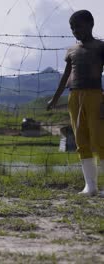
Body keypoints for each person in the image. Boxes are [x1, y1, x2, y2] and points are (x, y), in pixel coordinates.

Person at [47, 10, 104, 196]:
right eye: (72, 28)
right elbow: (65, 76)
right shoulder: (71, 50)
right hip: (74, 97)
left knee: (99, 139)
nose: (75, 31)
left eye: (78, 26)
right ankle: (90, 186)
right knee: (81, 139)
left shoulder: (100, 47)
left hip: (96, 96)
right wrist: (55, 98)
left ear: (90, 24)